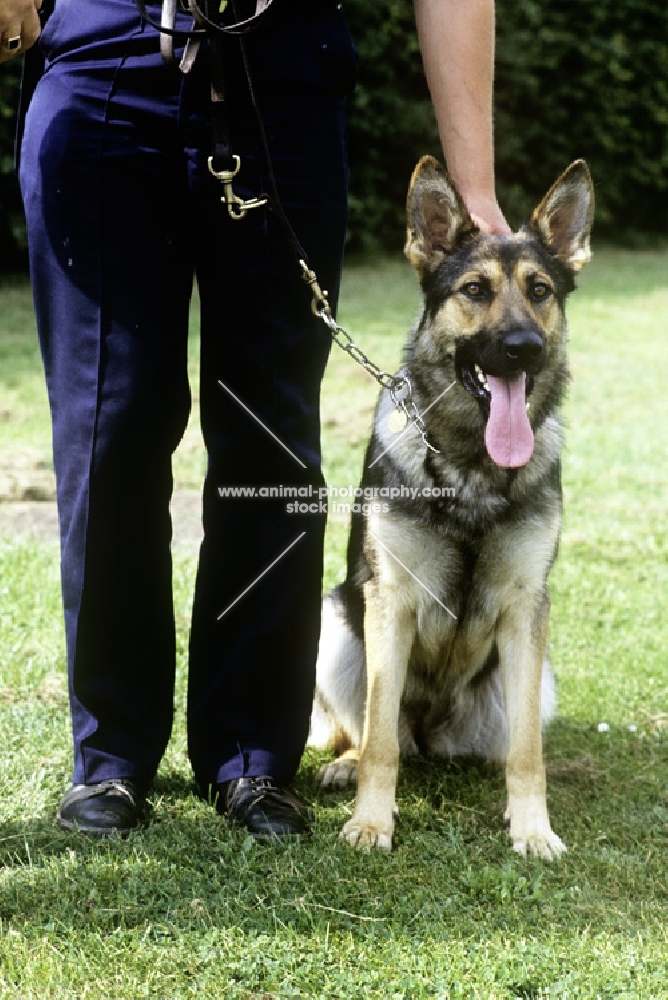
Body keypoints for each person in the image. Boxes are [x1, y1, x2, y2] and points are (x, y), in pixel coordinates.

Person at [1, 0, 510, 840]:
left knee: (270, 439)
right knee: (108, 430)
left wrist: (477, 184)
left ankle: (251, 756)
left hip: (282, 79)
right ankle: (112, 754)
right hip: (102, 62)